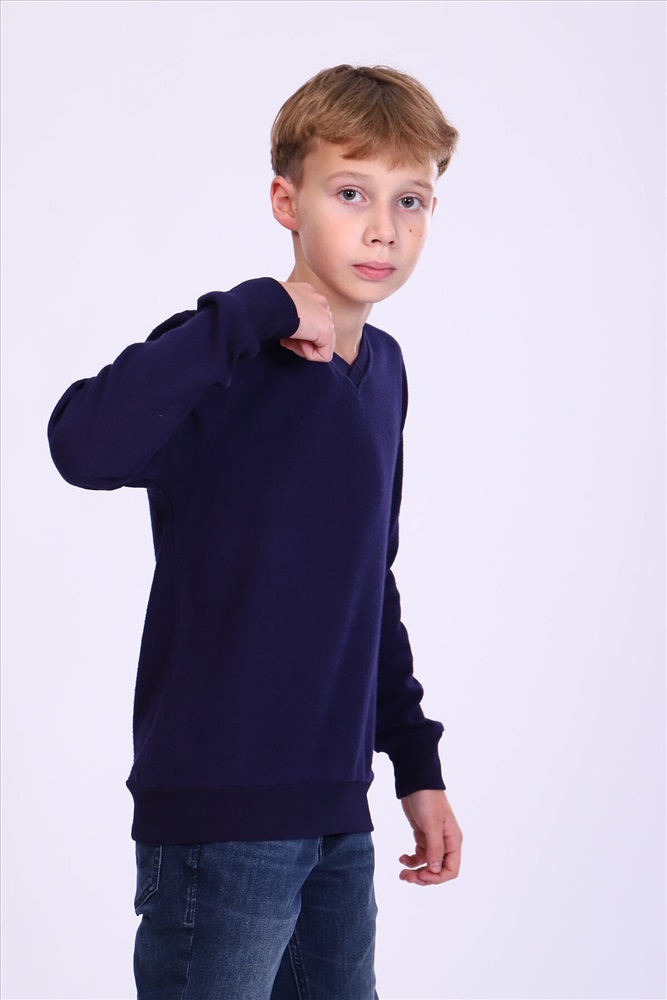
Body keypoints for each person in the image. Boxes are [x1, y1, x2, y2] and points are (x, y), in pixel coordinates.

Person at [48, 64, 463, 1000]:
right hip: (220, 814)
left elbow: (369, 583)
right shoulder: (226, 353)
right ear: (286, 202)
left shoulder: (385, 372)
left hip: (337, 813)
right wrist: (251, 311)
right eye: (350, 193)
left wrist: (415, 763)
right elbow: (81, 445)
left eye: (409, 200)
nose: (382, 227)